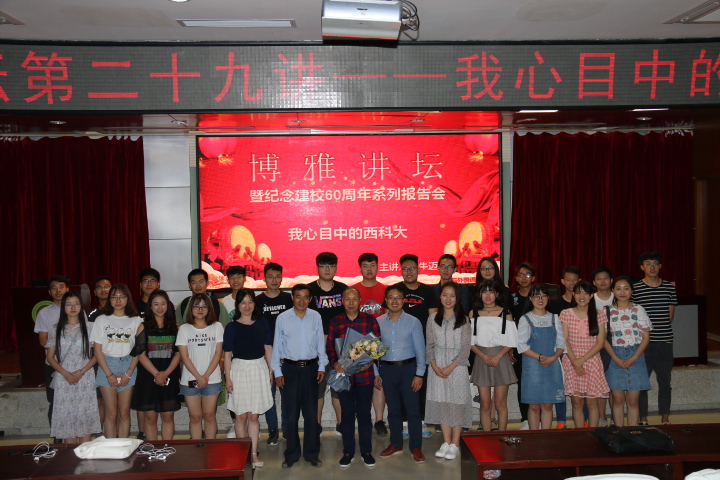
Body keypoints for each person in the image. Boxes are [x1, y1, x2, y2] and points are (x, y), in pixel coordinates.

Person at [271, 284, 327, 468]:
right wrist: (278, 371)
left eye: (305, 297)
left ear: (310, 299)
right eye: (298, 296)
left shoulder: (316, 316)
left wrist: (322, 366)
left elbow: (320, 344)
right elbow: (277, 346)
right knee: (291, 414)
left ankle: (312, 453)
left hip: (311, 369)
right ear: (292, 298)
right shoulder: (282, 318)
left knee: (311, 414)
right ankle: (292, 454)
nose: (302, 300)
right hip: (289, 369)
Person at [326, 287, 381, 468]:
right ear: (342, 301)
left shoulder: (370, 320)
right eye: (347, 299)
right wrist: (335, 363)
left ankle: (366, 452)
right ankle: (348, 452)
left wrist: (370, 362)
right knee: (347, 415)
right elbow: (330, 347)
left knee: (364, 415)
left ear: (360, 301)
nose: (351, 303)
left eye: (354, 299)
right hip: (344, 377)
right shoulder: (336, 322)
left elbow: (377, 344)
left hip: (365, 376)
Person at [376, 285, 426, 464]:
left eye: (398, 297)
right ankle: (396, 443)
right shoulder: (378, 322)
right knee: (393, 410)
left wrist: (419, 374)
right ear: (386, 300)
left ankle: (416, 447)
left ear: (404, 300)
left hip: (408, 370)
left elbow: (421, 349)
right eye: (391, 297)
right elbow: (374, 351)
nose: (395, 301)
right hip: (387, 370)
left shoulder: (413, 322)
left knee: (413, 411)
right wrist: (376, 373)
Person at [224, 288, 274, 469]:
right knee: (240, 416)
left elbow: (268, 348)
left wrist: (271, 371)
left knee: (253, 416)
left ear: (255, 304)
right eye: (243, 302)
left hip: (258, 369)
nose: (247, 306)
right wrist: (228, 378)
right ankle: (243, 456)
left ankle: (253, 454)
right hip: (238, 371)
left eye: (250, 302)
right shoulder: (231, 327)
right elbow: (227, 354)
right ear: (237, 305)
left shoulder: (262, 323)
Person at [46, 291, 100, 443]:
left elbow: (97, 355)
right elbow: (50, 357)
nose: (73, 307)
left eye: (76, 303)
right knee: (67, 416)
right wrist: (65, 373)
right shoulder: (55, 328)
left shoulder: (90, 327)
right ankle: (70, 454)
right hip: (64, 378)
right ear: (63, 307)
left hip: (85, 376)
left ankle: (85, 453)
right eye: (68, 304)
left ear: (81, 306)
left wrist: (81, 372)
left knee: (85, 415)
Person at [426, 282, 472, 461]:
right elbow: (429, 345)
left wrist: (450, 367)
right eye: (445, 295)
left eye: (452, 296)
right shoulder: (432, 319)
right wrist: (434, 365)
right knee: (443, 404)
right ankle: (446, 442)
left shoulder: (464, 320)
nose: (448, 299)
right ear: (440, 296)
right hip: (437, 366)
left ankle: (455, 443)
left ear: (457, 298)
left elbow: (465, 349)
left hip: (457, 367)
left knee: (457, 404)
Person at [90, 283, 143, 438]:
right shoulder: (101, 320)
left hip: (128, 364)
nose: (118, 300)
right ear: (109, 299)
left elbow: (138, 351)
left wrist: (128, 373)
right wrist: (109, 374)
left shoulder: (136, 320)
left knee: (124, 412)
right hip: (107, 365)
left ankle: (123, 445)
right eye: (114, 297)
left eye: (122, 297)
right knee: (111, 412)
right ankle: (110, 446)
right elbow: (97, 351)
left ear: (128, 299)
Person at [632, 251, 677, 426]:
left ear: (660, 266)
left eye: (655, 264)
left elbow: (670, 316)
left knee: (665, 381)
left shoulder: (669, 288)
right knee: (643, 381)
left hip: (664, 341)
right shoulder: (636, 288)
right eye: (648, 264)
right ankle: (643, 418)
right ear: (642, 267)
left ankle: (665, 417)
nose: (652, 267)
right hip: (643, 343)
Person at [131, 289, 181, 441]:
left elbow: (178, 354)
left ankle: (167, 448)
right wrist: (157, 374)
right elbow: (141, 354)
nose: (160, 307)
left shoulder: (175, 328)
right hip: (148, 377)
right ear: (150, 306)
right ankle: (153, 449)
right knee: (150, 418)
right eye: (156, 304)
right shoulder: (143, 327)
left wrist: (165, 374)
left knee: (168, 416)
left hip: (169, 376)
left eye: (163, 303)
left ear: (168, 305)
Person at [398, 253, 438, 437]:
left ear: (418, 269)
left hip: (421, 347)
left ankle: (420, 421)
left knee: (420, 384)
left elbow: (433, 320)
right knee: (403, 386)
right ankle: (404, 423)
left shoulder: (428, 291)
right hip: (400, 348)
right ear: (401, 271)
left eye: (412, 268)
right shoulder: (395, 290)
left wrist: (431, 345)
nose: (409, 272)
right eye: (405, 269)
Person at [470, 280, 518, 432]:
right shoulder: (473, 313)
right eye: (484, 291)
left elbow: (512, 341)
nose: (488, 295)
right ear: (480, 294)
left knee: (500, 404)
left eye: (491, 291)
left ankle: (502, 435)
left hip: (501, 358)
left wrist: (498, 356)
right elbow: (470, 342)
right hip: (481, 358)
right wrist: (484, 356)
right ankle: (486, 436)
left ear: (497, 294)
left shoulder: (506, 313)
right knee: (485, 404)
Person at [561, 281, 610, 428]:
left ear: (591, 295)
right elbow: (564, 340)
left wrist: (582, 360)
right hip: (571, 360)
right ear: (573, 294)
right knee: (576, 402)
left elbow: (600, 343)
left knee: (591, 402)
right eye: (578, 293)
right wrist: (575, 362)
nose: (582, 296)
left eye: (586, 293)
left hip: (592, 360)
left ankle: (592, 433)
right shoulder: (566, 314)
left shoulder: (599, 315)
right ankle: (580, 434)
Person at [308, 252, 347, 436]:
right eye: (323, 266)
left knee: (339, 388)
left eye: (331, 266)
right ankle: (316, 425)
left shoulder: (343, 289)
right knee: (317, 389)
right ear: (317, 267)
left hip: (339, 349)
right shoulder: (309, 291)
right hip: (315, 350)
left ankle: (341, 424)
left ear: (336, 268)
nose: (327, 269)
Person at [604, 277, 652, 426]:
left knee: (633, 401)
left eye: (626, 288)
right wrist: (615, 358)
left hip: (636, 355)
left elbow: (646, 337)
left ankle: (633, 432)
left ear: (631, 290)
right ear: (613, 290)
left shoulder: (638, 309)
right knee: (618, 400)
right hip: (614, 356)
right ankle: (619, 432)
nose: (622, 292)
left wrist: (635, 357)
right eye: (618, 288)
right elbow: (602, 339)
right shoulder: (606, 311)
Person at [176, 293, 224, 439]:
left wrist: (206, 376)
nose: (200, 310)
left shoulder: (217, 327)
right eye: (196, 306)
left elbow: (218, 353)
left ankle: (211, 447)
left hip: (212, 379)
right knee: (195, 416)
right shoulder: (184, 329)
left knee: (209, 415)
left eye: (204, 307)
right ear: (191, 309)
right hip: (190, 379)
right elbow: (184, 356)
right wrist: (199, 377)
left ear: (209, 309)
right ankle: (196, 447)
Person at [517, 283, 565, 430]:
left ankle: (547, 436)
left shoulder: (555, 318)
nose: (540, 299)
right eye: (536, 296)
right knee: (534, 405)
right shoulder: (525, 319)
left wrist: (554, 357)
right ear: (531, 298)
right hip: (532, 367)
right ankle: (534, 437)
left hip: (552, 364)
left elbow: (561, 343)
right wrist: (539, 357)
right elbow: (521, 345)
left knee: (548, 405)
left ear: (548, 298)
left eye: (544, 296)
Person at [255, 262, 293, 445]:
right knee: (268, 394)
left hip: (286, 355)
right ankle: (272, 430)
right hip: (265, 355)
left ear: (282, 278)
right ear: (264, 278)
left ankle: (286, 429)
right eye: (270, 276)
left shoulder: (288, 299)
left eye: (277, 276)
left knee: (286, 395)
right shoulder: (257, 301)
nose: (274, 280)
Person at [352, 252, 388, 437]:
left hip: (381, 343)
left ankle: (379, 420)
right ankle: (359, 419)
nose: (369, 269)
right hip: (359, 344)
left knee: (379, 381)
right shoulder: (353, 291)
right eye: (365, 265)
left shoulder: (385, 290)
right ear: (360, 268)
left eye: (372, 265)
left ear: (378, 267)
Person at [133, 267, 166, 440]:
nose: (149, 284)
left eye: (152, 281)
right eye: (145, 281)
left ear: (158, 283)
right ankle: (142, 434)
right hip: (142, 363)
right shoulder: (133, 306)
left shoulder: (167, 308)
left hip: (164, 363)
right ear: (140, 284)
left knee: (164, 411)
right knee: (145, 404)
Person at [34, 275, 70, 432]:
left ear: (67, 289)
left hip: (75, 365)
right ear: (49, 292)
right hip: (53, 364)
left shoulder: (77, 310)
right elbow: (43, 341)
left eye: (61, 287)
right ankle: (57, 436)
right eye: (54, 288)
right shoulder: (44, 313)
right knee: (55, 401)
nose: (58, 290)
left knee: (73, 401)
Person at [219, 265, 247, 438]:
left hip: (249, 354)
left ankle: (249, 425)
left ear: (245, 279)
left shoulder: (251, 299)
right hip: (231, 354)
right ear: (228, 280)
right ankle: (235, 424)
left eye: (239, 276)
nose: (236, 280)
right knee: (233, 391)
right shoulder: (224, 302)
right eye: (232, 277)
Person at [510, 262, 535, 430]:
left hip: (538, 347)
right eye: (521, 275)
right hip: (518, 349)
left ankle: (537, 418)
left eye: (527, 275)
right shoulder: (512, 299)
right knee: (522, 384)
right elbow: (509, 326)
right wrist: (510, 348)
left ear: (533, 278)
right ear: (516, 278)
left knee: (537, 383)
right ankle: (525, 418)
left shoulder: (539, 297)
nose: (524, 278)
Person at [592, 266, 615, 427]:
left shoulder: (619, 296)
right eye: (599, 279)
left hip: (617, 343)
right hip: (596, 345)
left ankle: (615, 418)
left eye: (606, 278)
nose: (602, 281)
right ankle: (602, 418)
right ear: (594, 282)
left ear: (611, 280)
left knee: (613, 384)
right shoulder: (590, 299)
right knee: (601, 383)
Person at [88, 276, 111, 427]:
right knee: (99, 399)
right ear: (95, 292)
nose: (103, 290)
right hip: (97, 361)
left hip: (117, 360)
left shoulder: (118, 311)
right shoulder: (92, 315)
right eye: (99, 287)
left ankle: (114, 433)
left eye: (106, 286)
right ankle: (98, 430)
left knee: (115, 402)